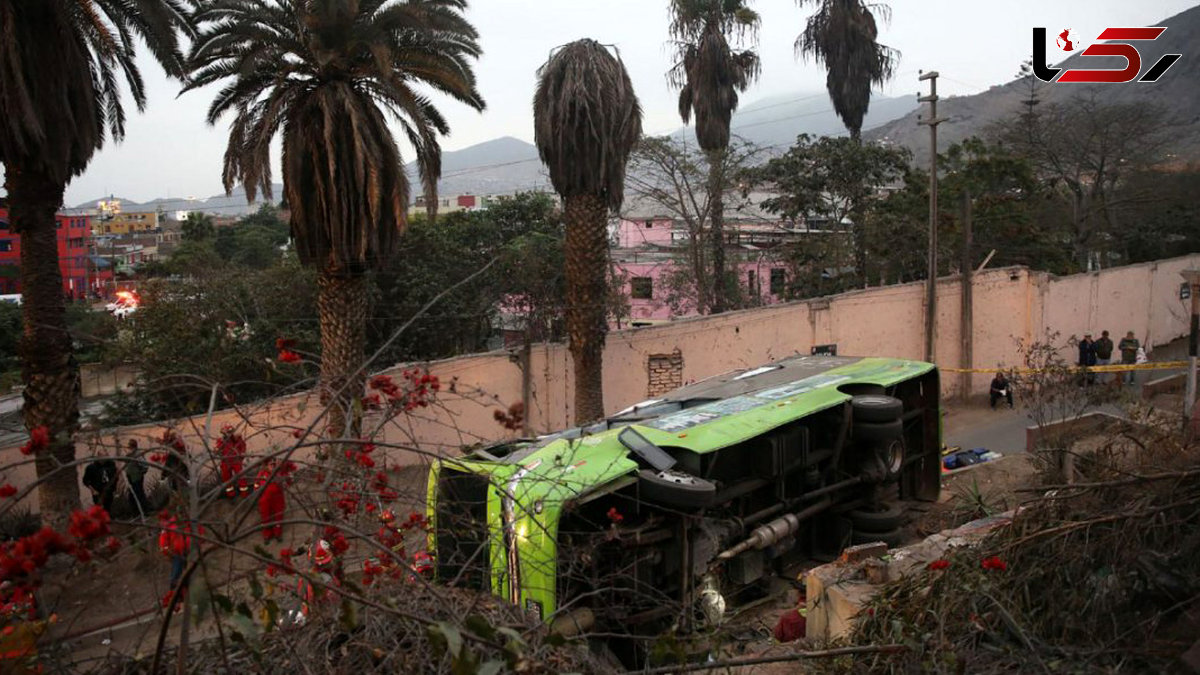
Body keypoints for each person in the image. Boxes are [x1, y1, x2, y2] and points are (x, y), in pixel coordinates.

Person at [255, 460, 287, 542]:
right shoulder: (261, 474)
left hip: (278, 499)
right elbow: (256, 486)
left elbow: (285, 483)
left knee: (278, 517)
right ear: (266, 466)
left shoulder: (278, 473)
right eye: (270, 464)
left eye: (273, 464)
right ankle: (267, 535)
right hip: (265, 500)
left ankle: (277, 534)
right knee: (265, 518)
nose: (272, 466)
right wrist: (258, 499)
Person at [217, 425, 248, 499]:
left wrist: (241, 456)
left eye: (230, 432)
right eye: (227, 432)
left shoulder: (237, 438)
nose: (229, 434)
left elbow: (243, 447)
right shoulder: (221, 440)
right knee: (227, 479)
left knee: (241, 478)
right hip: (226, 462)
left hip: (236, 461)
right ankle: (231, 495)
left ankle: (244, 495)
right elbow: (218, 450)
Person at [124, 439, 149, 516]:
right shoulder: (129, 455)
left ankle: (144, 511)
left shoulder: (137, 454)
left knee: (139, 493)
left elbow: (145, 465)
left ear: (132, 447)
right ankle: (135, 511)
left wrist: (141, 472)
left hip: (137, 477)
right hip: (131, 477)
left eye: (129, 447)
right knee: (132, 494)